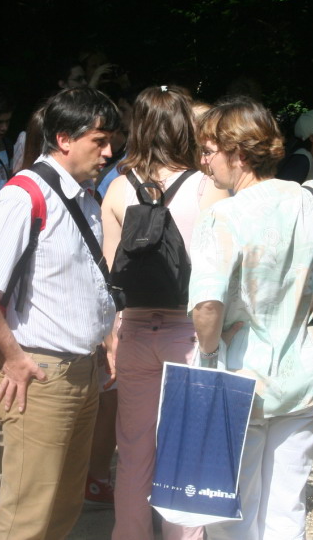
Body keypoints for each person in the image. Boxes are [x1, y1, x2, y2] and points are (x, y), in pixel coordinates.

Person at [189, 97, 313, 539]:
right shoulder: (310, 198)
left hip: (236, 376)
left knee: (230, 511)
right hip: (305, 374)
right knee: (287, 507)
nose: (204, 162)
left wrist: (209, 351)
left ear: (237, 153)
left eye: (208, 151)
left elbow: (206, 306)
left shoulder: (222, 216)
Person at [0, 86, 121, 540]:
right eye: (99, 140)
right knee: (25, 517)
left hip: (79, 371)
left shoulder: (83, 195)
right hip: (40, 375)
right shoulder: (24, 196)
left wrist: (105, 342)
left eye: (110, 141)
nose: (109, 152)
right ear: (64, 139)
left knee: (63, 506)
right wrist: (13, 355)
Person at [101, 86, 229, 540]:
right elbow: (218, 271)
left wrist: (111, 338)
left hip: (134, 332)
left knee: (134, 450)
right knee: (185, 454)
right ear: (186, 128)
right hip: (188, 333)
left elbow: (112, 277)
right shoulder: (208, 188)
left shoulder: (117, 188)